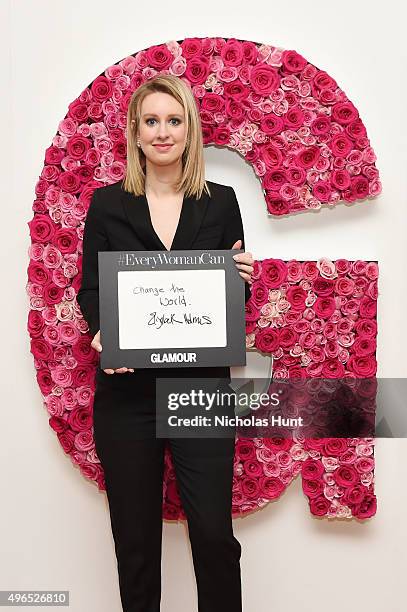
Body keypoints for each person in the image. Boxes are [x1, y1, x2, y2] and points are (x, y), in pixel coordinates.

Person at [77, 74, 254, 612]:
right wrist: (102, 331)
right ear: (134, 132)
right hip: (127, 400)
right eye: (151, 121)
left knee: (213, 539)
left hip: (201, 395)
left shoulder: (220, 204)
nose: (162, 132)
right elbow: (91, 289)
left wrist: (239, 280)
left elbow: (227, 308)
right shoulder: (107, 205)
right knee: (135, 545)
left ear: (189, 131)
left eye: (173, 121)